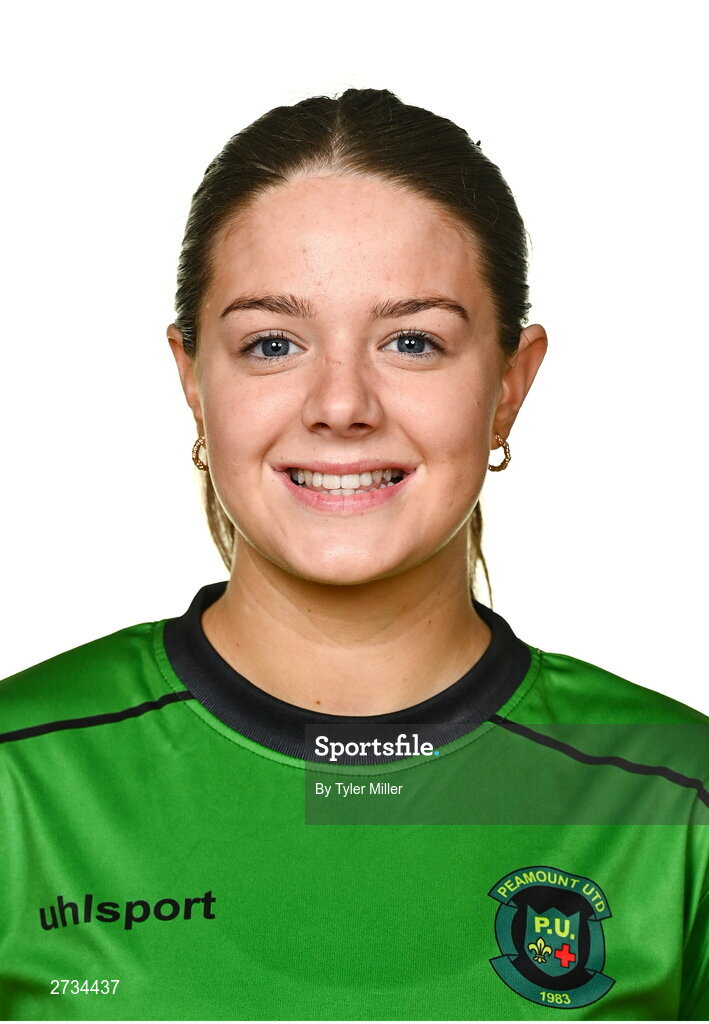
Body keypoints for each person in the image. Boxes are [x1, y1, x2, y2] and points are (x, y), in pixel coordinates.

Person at [0, 88, 707, 1022]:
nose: (341, 404)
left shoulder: (677, 803)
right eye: (273, 343)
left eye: (412, 341)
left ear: (508, 382)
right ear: (192, 379)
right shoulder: (20, 783)